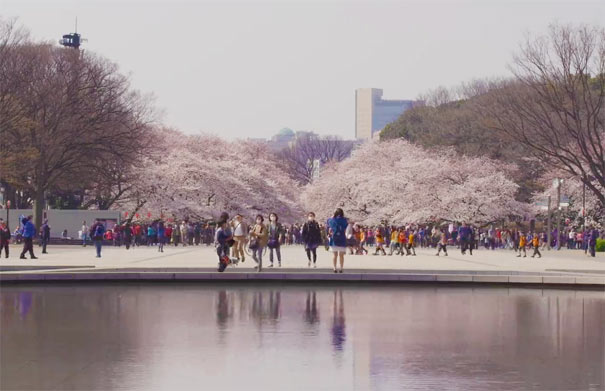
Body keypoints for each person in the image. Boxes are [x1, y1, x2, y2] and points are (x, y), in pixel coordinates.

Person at [327, 208, 348, 273]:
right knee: (341, 255)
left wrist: (332, 217)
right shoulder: (344, 220)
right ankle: (341, 268)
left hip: (334, 238)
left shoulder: (331, 220)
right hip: (342, 238)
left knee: (334, 255)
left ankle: (334, 268)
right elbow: (346, 226)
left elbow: (328, 222)